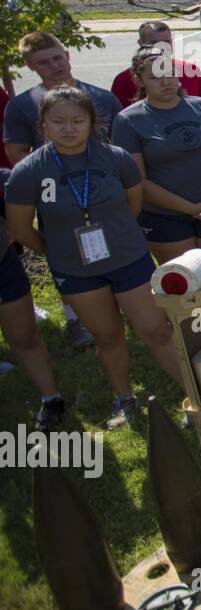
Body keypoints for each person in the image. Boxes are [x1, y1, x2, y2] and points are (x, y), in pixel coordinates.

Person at [5, 86, 184, 429]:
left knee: (155, 330)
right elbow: (21, 227)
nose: (68, 128)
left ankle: (196, 395)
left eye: (77, 120)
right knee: (108, 336)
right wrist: (54, 249)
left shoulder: (114, 158)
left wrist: (118, 233)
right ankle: (125, 398)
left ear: (92, 122)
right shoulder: (30, 172)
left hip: (129, 258)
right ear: (43, 124)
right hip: (77, 271)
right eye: (58, 121)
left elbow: (134, 203)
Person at [111, 47, 201, 355]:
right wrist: (187, 208)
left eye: (169, 73)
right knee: (184, 282)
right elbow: (139, 181)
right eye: (155, 76)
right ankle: (200, 343)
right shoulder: (129, 121)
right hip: (164, 217)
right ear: (139, 80)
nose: (165, 81)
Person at [6, 32, 123, 350]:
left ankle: (123, 303)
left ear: (68, 55)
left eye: (58, 57)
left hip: (104, 188)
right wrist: (48, 178)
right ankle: (76, 318)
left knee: (120, 241)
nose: (54, 65)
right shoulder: (22, 106)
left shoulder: (101, 97)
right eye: (44, 62)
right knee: (63, 248)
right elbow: (16, 151)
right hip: (53, 191)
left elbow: (121, 144)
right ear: (31, 66)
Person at [0, 166, 66, 430]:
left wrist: (15, 224)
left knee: (24, 336)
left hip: (2, 264)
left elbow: (18, 181)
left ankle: (51, 399)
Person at [110, 20, 201, 108]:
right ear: (141, 43)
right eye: (154, 43)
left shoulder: (191, 70)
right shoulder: (123, 80)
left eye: (166, 42)